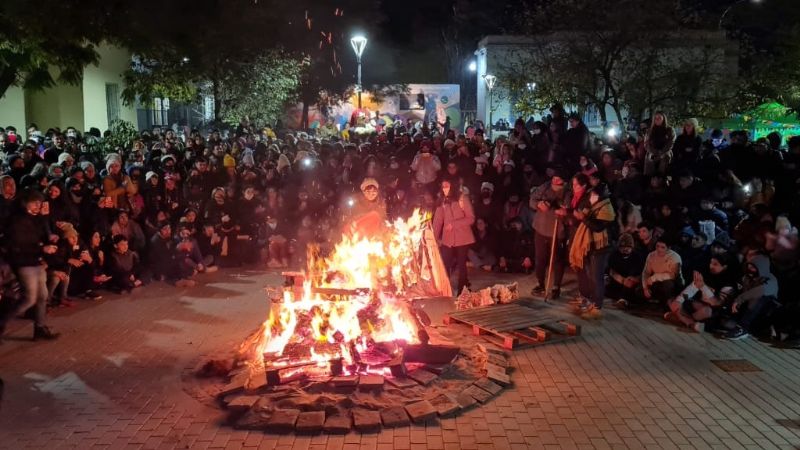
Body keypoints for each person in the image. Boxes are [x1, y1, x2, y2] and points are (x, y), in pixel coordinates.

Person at [0, 189, 59, 340]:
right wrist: (42, 248)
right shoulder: (17, 220)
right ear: (25, 203)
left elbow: (38, 237)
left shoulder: (35, 219)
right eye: (34, 203)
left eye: (39, 203)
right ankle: (1, 322)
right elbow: (19, 244)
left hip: (36, 261)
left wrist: (48, 241)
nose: (37, 206)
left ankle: (39, 327)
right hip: (23, 262)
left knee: (42, 296)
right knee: (29, 298)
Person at [569, 187, 616, 319]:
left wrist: (583, 218)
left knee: (597, 277)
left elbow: (597, 227)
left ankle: (597, 305)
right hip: (589, 246)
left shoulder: (607, 209)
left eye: (594, 195)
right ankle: (588, 299)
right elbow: (579, 218)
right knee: (588, 274)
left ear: (600, 196)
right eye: (591, 195)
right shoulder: (591, 207)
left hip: (600, 247)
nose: (591, 198)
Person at [530, 172, 570, 298]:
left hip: (557, 230)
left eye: (558, 178)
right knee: (540, 258)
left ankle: (556, 286)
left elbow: (568, 208)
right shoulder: (545, 186)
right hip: (541, 227)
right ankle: (540, 283)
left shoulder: (567, 191)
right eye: (554, 178)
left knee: (557, 259)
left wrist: (563, 211)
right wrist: (538, 204)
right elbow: (532, 199)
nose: (555, 180)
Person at [432, 179, 475, 293]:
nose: (445, 189)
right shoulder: (442, 201)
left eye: (447, 186)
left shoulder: (462, 199)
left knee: (461, 264)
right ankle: (444, 288)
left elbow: (471, 218)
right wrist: (434, 238)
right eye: (443, 187)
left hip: (463, 238)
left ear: (452, 186)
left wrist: (454, 224)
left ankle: (463, 288)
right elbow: (437, 221)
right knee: (445, 262)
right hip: (448, 239)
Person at [607, 233, 646, 308]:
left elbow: (642, 272)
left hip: (632, 281)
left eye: (628, 247)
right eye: (622, 247)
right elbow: (611, 271)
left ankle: (624, 300)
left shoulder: (637, 256)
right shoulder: (614, 255)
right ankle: (622, 300)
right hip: (618, 280)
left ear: (632, 247)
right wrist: (621, 280)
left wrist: (634, 279)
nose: (625, 249)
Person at [642, 237, 684, 304]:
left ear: (668, 248)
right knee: (639, 290)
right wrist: (645, 288)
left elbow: (673, 275)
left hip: (673, 283)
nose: (659, 249)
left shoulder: (675, 257)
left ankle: (668, 302)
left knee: (667, 284)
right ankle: (656, 300)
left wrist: (655, 277)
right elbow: (646, 272)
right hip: (656, 283)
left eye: (662, 247)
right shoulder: (651, 255)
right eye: (657, 246)